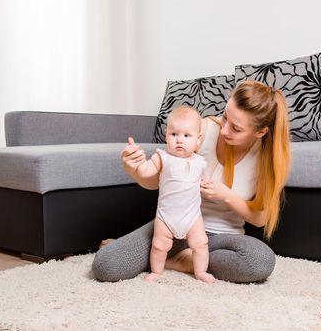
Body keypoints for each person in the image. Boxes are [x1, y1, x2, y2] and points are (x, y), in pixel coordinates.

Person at [92, 80, 292, 283]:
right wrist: (133, 169)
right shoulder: (201, 131)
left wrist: (227, 196)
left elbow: (260, 219)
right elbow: (156, 182)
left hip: (222, 238)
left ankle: (172, 260)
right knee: (106, 265)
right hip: (175, 224)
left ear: (261, 132)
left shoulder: (267, 161)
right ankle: (172, 254)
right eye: (225, 117)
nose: (224, 130)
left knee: (259, 261)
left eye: (236, 129)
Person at [136, 106, 215, 283]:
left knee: (201, 244)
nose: (180, 140)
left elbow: (201, 180)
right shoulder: (162, 157)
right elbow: (147, 171)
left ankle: (200, 271)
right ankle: (157, 271)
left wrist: (205, 184)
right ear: (166, 134)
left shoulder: (200, 162)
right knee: (158, 246)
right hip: (166, 217)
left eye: (187, 136)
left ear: (198, 139)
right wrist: (139, 163)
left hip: (192, 217)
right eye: (174, 134)